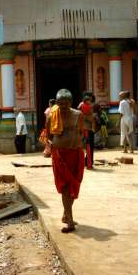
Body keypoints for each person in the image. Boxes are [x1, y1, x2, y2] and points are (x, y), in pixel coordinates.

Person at [46, 89, 84, 233]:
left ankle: (65, 214)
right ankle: (70, 221)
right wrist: (54, 145)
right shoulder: (52, 116)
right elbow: (48, 135)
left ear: (70, 102)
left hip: (76, 154)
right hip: (60, 155)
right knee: (66, 187)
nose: (62, 106)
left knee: (75, 184)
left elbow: (81, 132)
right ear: (56, 103)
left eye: (65, 103)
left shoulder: (78, 115)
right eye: (60, 103)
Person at [78, 92, 95, 169]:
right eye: (89, 99)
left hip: (83, 128)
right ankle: (89, 163)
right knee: (89, 147)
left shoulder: (81, 105)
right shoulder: (87, 107)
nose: (90, 101)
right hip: (88, 129)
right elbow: (91, 118)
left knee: (83, 146)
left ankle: (84, 162)